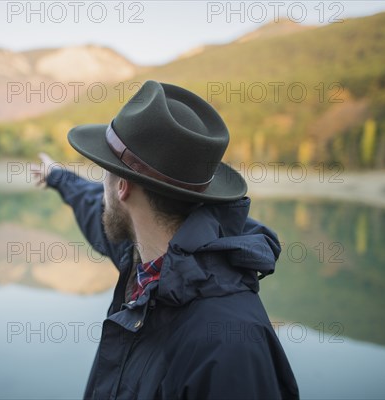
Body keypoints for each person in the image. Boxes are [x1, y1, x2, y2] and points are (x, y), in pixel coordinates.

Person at [31, 81, 299, 399]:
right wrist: (58, 178)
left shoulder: (231, 346)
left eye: (104, 170)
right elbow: (94, 206)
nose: (100, 185)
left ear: (123, 188)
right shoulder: (142, 259)